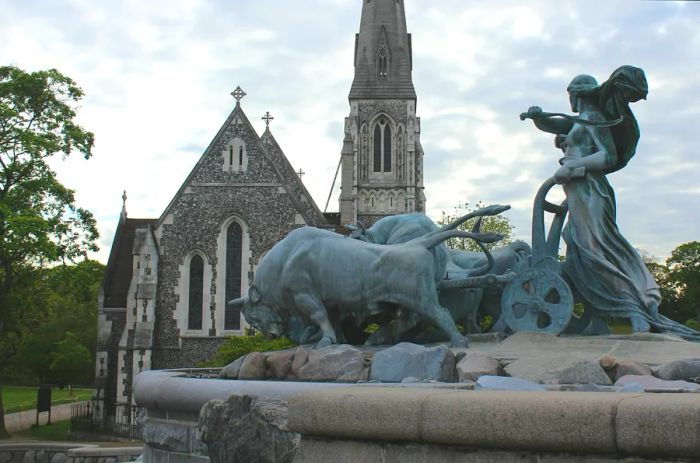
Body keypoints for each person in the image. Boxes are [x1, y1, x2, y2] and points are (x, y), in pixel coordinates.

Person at [524, 66, 698, 338]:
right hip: (578, 192)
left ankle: (634, 309)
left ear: (575, 93)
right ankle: (599, 315)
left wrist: (572, 166)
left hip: (590, 191)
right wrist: (537, 118)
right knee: (576, 248)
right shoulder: (581, 120)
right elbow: (555, 124)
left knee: (595, 248)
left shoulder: (593, 118)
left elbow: (608, 156)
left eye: (569, 94)